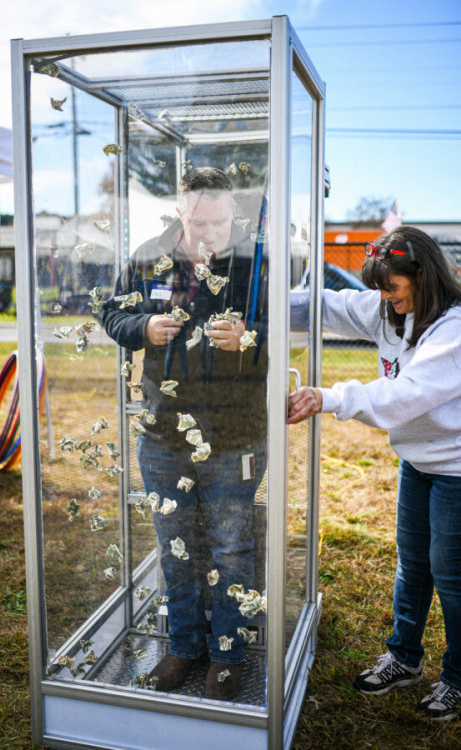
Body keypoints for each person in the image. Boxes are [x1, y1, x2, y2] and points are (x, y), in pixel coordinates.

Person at [103, 168, 267, 701]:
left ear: (232, 214)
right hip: (162, 431)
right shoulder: (149, 255)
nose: (211, 234)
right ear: (180, 211)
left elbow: (282, 335)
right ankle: (184, 646)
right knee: (175, 546)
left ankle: (228, 655)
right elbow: (110, 315)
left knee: (231, 548)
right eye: (199, 222)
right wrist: (142, 328)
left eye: (220, 221)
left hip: (235, 433)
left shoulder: (253, 261)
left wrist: (248, 338)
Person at [287, 226, 461, 721]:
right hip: (417, 463)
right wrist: (262, 302)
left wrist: (329, 397)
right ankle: (403, 659)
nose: (384, 299)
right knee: (412, 566)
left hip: (456, 469)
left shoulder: (453, 328)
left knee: (452, 577)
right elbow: (323, 305)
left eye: (393, 287)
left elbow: (404, 395)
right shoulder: (387, 309)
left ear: (423, 277)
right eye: (379, 289)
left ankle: (457, 679)